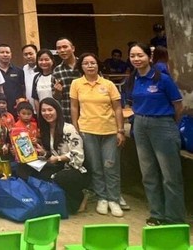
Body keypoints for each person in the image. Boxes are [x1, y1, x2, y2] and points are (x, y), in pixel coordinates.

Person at [128, 42, 185, 226]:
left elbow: (178, 106)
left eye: (140, 55)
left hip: (163, 125)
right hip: (140, 125)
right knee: (148, 174)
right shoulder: (133, 78)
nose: (136, 59)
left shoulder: (162, 78)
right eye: (133, 56)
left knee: (170, 175)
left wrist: (169, 125)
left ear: (149, 57)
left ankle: (174, 218)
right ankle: (157, 214)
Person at [70, 52, 125, 217]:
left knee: (111, 166)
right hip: (87, 130)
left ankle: (114, 199)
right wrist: (75, 127)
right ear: (81, 67)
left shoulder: (108, 84)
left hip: (109, 130)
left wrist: (120, 130)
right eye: (86, 63)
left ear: (98, 65)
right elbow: (74, 107)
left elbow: (117, 108)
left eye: (92, 63)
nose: (89, 66)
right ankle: (102, 197)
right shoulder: (76, 83)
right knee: (96, 167)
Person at [17, 97, 90, 216]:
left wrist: (58, 158)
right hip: (56, 165)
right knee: (24, 168)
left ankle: (80, 196)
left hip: (73, 169)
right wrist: (44, 153)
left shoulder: (68, 128)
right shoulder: (45, 130)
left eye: (50, 110)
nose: (47, 113)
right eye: (44, 110)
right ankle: (33, 200)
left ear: (57, 110)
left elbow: (78, 154)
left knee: (56, 177)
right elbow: (51, 155)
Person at [53, 37, 79, 123]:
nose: (62, 50)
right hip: (67, 115)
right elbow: (56, 97)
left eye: (65, 47)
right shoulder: (57, 70)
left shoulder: (84, 65)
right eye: (59, 48)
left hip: (87, 114)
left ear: (73, 48)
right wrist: (57, 91)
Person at [0, 44, 24, 114]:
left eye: (7, 52)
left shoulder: (19, 71)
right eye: (2, 52)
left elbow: (23, 88)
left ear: (11, 55)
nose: (5, 55)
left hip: (16, 107)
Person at [32, 49, 58, 113]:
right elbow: (36, 99)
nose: (43, 62)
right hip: (43, 113)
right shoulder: (36, 78)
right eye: (41, 60)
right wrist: (39, 115)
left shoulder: (56, 76)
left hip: (56, 112)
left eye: (46, 59)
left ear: (52, 60)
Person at [21, 44, 38, 109]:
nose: (28, 56)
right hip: (29, 107)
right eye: (26, 54)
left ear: (36, 53)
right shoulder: (24, 68)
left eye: (31, 54)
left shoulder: (42, 68)